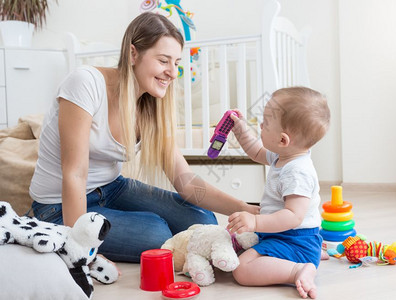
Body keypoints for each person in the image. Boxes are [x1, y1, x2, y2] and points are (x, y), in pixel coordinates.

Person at [29, 12, 259, 264]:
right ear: (132, 54)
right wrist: (80, 249)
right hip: (58, 207)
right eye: (164, 61)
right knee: (155, 231)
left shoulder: (151, 105)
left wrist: (247, 209)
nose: (172, 72)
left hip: (113, 188)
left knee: (202, 219)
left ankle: (181, 248)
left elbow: (187, 182)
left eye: (176, 63)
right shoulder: (85, 84)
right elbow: (75, 174)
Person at [226, 87, 330, 299]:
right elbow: (256, 151)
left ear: (283, 140)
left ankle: (297, 270)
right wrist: (241, 131)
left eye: (265, 123)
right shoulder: (284, 155)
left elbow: (294, 216)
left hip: (293, 239)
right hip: (285, 234)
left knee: (241, 269)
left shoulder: (297, 171)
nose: (261, 126)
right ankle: (307, 256)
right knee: (238, 245)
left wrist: (255, 223)